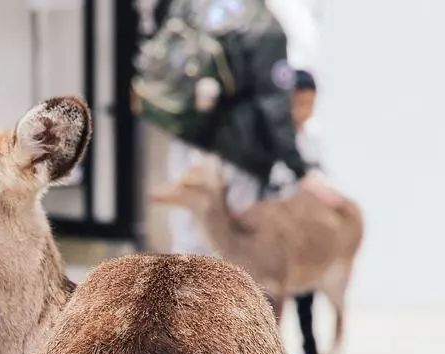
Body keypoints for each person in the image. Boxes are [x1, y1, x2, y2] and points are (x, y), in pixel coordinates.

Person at [140, 0, 339, 255]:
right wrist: (300, 169)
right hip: (237, 154)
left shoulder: (196, 6)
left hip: (187, 132)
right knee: (235, 246)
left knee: (187, 238)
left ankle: (184, 293)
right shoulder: (266, 28)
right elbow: (275, 105)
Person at [271, 68, 330, 354]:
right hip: (277, 224)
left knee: (306, 290)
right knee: (273, 293)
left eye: (310, 103)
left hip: (303, 224)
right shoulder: (273, 135)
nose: (305, 111)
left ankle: (310, 353)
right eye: (300, 103)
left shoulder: (313, 136)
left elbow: (319, 173)